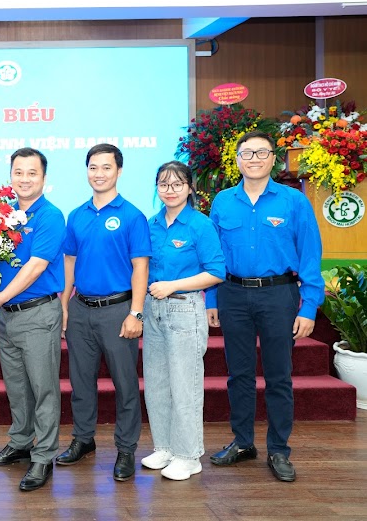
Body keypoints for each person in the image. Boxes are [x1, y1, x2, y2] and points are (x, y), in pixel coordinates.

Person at [206, 130, 323, 483]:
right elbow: (213, 256)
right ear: (237, 160)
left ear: (274, 158)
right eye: (247, 153)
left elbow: (310, 254)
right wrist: (211, 298)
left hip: (278, 295)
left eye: (261, 152)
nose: (254, 159)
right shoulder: (223, 202)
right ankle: (243, 443)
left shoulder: (293, 201)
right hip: (232, 294)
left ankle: (278, 450)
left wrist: (309, 307)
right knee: (239, 375)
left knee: (278, 376)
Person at [57, 143, 151, 482]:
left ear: (119, 171)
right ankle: (83, 439)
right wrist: (64, 305)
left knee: (125, 384)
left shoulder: (133, 216)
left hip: (118, 310)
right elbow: (69, 262)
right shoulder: (77, 215)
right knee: (81, 382)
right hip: (81, 309)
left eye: (106, 167)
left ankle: (126, 449)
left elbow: (141, 267)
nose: (99, 174)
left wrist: (136, 313)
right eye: (93, 167)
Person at [0, 148, 66, 492]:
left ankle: (43, 456)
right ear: (10, 176)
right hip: (8, 316)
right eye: (18, 172)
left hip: (37, 313)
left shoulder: (50, 216)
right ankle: (20, 442)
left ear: (44, 178)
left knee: (43, 388)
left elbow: (35, 267)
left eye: (32, 173)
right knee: (17, 385)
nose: (24, 179)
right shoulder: (4, 214)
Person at [140, 161, 225, 481]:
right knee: (157, 385)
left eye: (177, 184)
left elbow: (216, 271)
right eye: (163, 184)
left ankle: (189, 456)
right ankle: (165, 447)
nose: (170, 190)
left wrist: (173, 285)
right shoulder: (151, 224)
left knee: (184, 386)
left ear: (189, 188)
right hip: (153, 310)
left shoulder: (200, 225)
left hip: (184, 309)